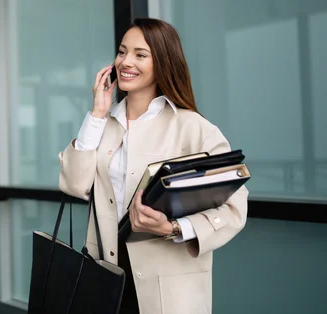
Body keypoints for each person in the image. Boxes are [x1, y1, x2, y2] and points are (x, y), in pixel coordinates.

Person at [58, 18, 248, 314]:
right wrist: (97, 112)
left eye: (140, 54)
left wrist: (172, 227)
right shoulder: (102, 125)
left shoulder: (193, 128)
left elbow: (234, 208)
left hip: (169, 288)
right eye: (122, 52)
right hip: (104, 274)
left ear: (163, 63)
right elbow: (73, 184)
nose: (126, 62)